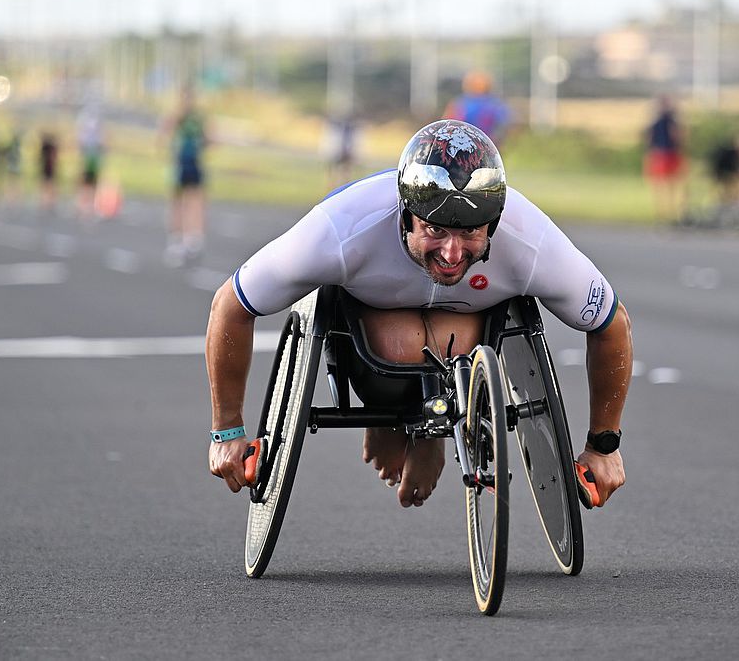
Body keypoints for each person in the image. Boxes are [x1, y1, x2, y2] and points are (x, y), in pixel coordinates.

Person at [206, 120, 632, 510]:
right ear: (407, 215)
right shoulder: (341, 229)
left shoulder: (531, 241)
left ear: (495, 222)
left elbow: (612, 324)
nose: (451, 253)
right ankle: (394, 420)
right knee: (401, 341)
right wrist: (227, 432)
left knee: (441, 337)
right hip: (371, 345)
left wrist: (604, 445)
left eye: (470, 233)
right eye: (435, 231)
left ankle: (433, 430)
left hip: (464, 347)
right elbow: (231, 304)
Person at [162, 86, 208, 265]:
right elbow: (164, 133)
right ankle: (176, 239)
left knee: (195, 200)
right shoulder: (177, 117)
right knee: (177, 202)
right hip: (180, 164)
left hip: (193, 163)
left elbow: (209, 138)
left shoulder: (197, 119)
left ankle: (193, 238)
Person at [642, 95, 687, 224]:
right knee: (668, 185)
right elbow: (678, 137)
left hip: (662, 154)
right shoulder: (670, 121)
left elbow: (648, 139)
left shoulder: (657, 122)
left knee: (664, 185)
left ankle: (665, 213)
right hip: (665, 154)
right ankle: (668, 213)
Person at [443, 70, 510, 146]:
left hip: (488, 145)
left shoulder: (494, 105)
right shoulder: (460, 103)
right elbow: (447, 124)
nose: (478, 86)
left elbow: (504, 124)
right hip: (463, 144)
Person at [75, 102, 105, 221]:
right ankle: (84, 207)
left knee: (90, 184)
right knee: (87, 184)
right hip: (89, 158)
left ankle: (88, 207)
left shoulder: (92, 126)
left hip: (92, 158)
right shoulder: (88, 127)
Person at [38, 130, 59, 212]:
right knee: (48, 186)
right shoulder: (47, 148)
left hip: (49, 169)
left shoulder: (48, 148)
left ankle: (48, 202)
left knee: (48, 186)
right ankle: (47, 202)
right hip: (47, 169)